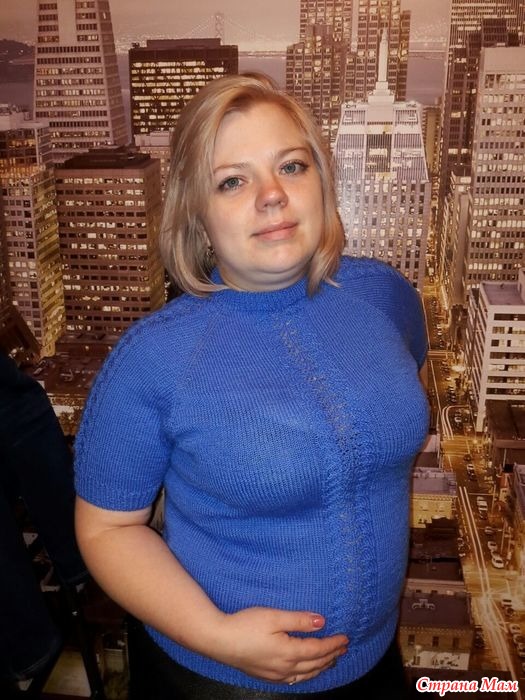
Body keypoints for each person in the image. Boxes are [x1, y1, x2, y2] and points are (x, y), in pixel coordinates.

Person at [74, 73, 429, 699]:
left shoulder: (385, 298)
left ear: (322, 181)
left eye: (291, 166)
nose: (272, 195)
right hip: (218, 681)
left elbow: (391, 408)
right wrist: (216, 634)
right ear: (198, 215)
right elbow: (107, 530)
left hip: (377, 667)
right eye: (232, 181)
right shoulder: (154, 358)